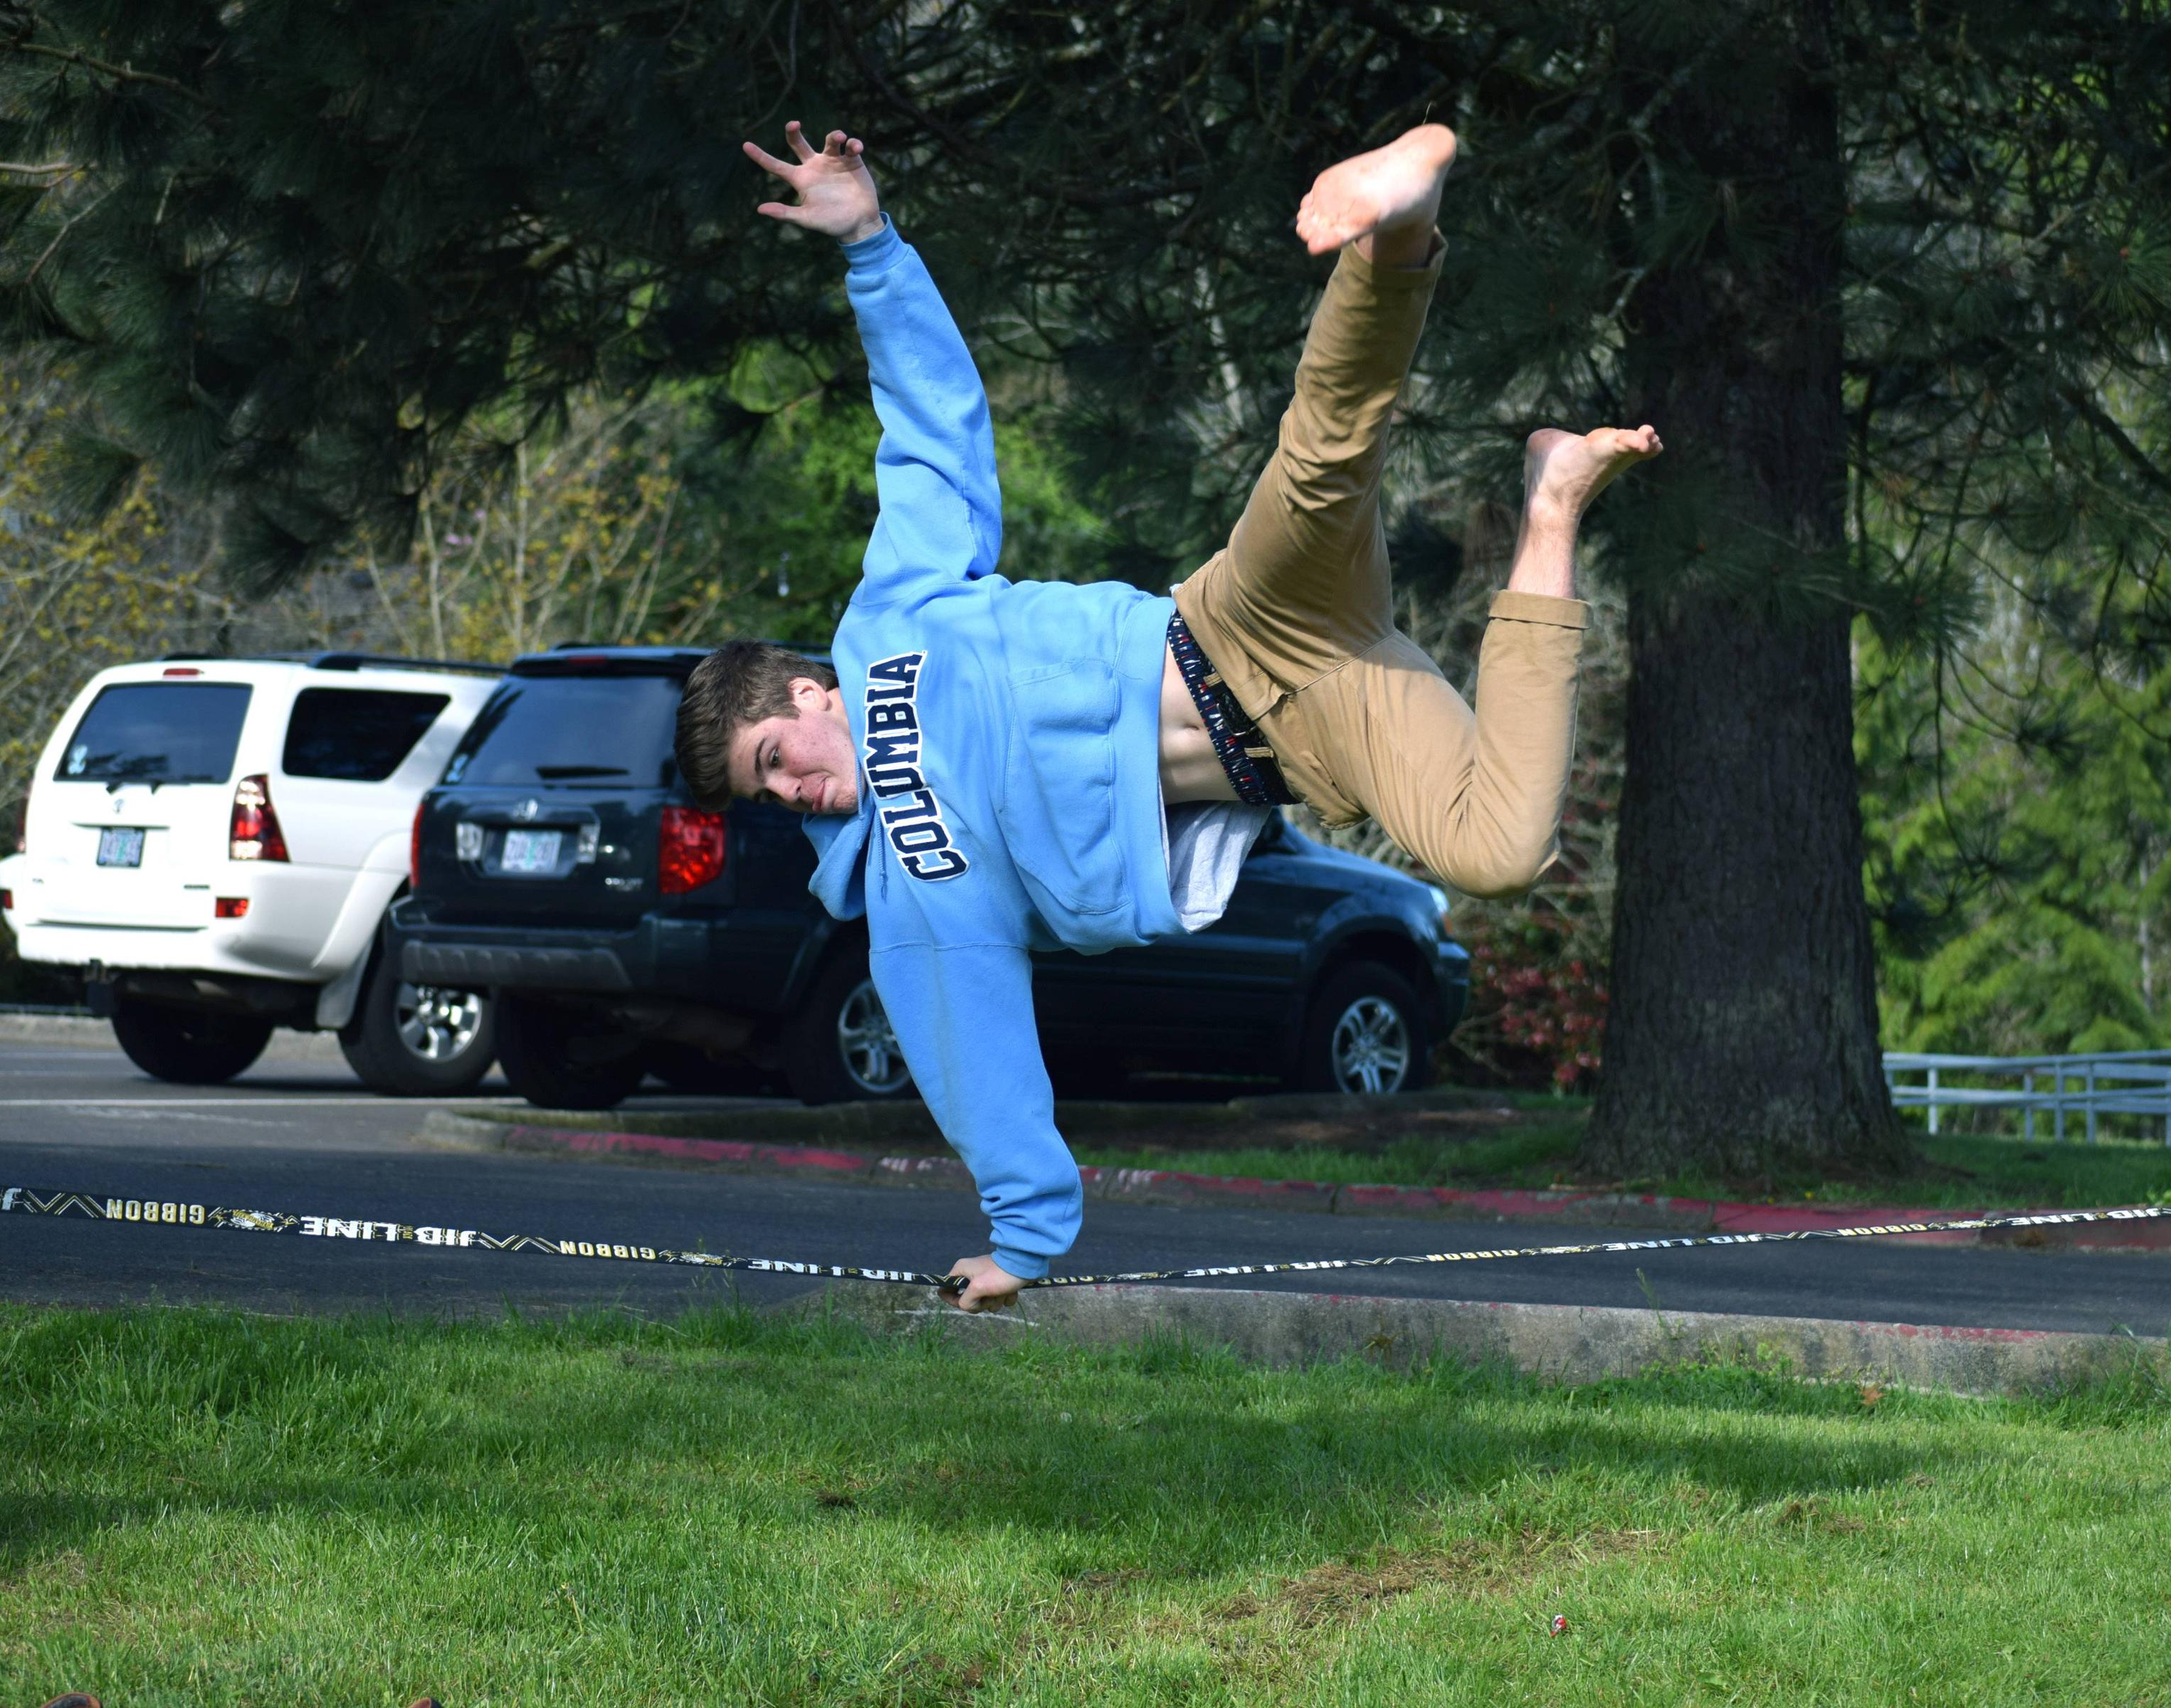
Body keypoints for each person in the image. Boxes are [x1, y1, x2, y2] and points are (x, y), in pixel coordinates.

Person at [676, 121, 1659, 1313]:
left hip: (1232, 629)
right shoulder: (904, 885)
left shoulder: (892, 620)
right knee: (1495, 848)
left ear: (806, 693)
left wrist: (873, 246)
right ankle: (1552, 500)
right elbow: (965, 1042)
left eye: (774, 758)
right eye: (764, 796)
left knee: (1321, 462)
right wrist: (1022, 1238)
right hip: (1309, 741)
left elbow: (933, 434)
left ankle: (1398, 218)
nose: (788, 794)